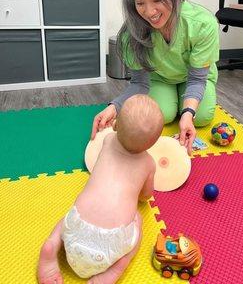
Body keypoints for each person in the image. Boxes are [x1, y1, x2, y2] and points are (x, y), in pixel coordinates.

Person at [91, 0, 219, 154]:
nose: (150, 12)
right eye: (140, 3)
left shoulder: (203, 23)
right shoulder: (130, 33)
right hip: (159, 79)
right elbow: (139, 84)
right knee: (162, 115)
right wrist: (114, 106)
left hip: (193, 79)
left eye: (157, 0)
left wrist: (187, 113)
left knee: (201, 117)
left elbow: (197, 80)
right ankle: (174, 101)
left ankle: (184, 106)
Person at [37, 94, 163, 284]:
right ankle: (111, 273)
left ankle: (52, 245)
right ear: (153, 143)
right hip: (111, 246)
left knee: (70, 214)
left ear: (115, 125)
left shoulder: (108, 141)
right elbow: (146, 196)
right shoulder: (148, 163)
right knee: (138, 221)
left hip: (75, 231)